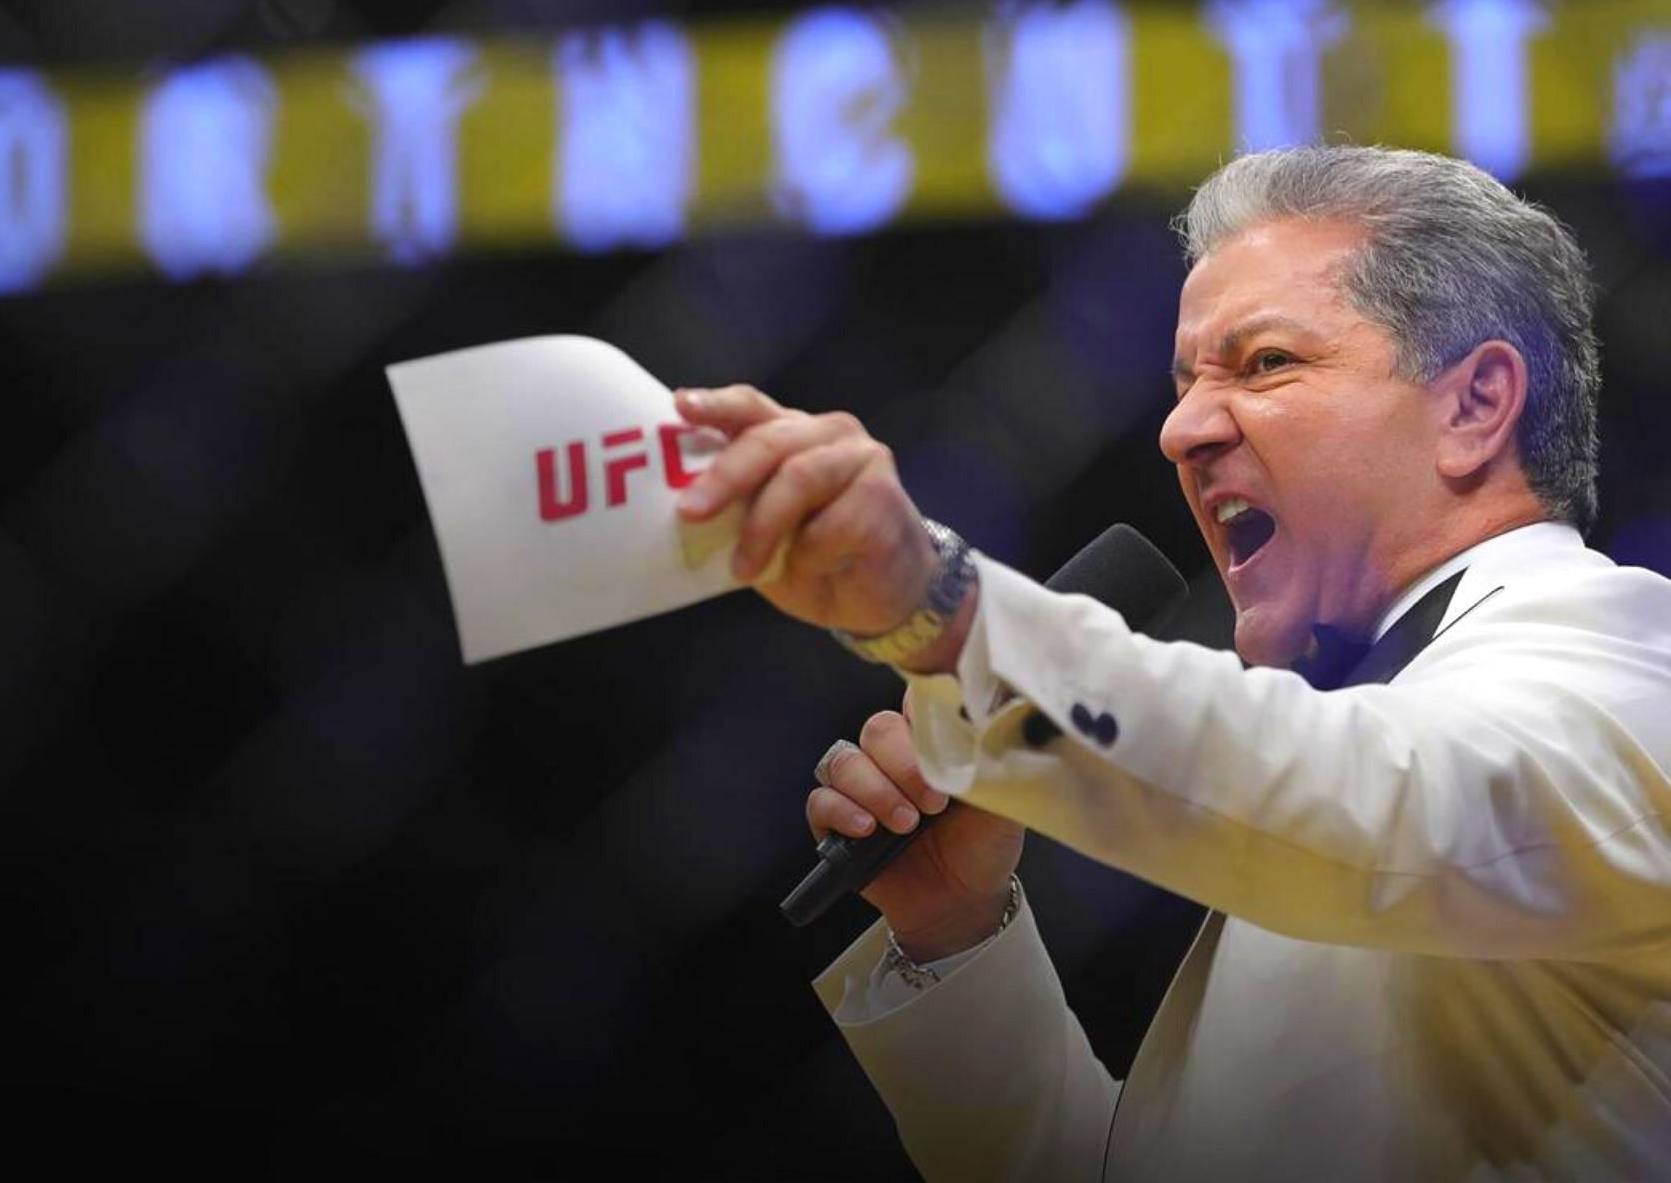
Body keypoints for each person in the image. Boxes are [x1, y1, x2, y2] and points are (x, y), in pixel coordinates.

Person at [672, 145, 1671, 1180]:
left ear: (1474, 406)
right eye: (1186, 380)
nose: (1182, 428)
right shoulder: (1360, 726)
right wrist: (956, 930)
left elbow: (1383, 795)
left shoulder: (1623, 662)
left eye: (1267, 362)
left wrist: (952, 618)